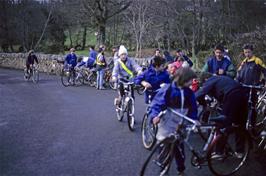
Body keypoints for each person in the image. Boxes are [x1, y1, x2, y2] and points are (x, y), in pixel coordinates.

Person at [149, 67, 199, 176]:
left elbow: (193, 108)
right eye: (190, 80)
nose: (192, 82)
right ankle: (162, 166)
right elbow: (156, 104)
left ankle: (181, 169)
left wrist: (194, 120)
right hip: (167, 122)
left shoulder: (189, 93)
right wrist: (154, 116)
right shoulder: (168, 89)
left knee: (179, 147)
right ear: (184, 79)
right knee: (163, 144)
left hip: (181, 124)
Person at [195, 72, 248, 158]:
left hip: (232, 96)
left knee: (222, 124)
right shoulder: (221, 78)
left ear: (205, 79)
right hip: (243, 94)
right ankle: (240, 151)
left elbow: (200, 94)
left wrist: (204, 105)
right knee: (240, 124)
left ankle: (219, 152)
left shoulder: (211, 80)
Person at [237, 44, 266, 129]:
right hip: (244, 87)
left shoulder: (257, 61)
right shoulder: (244, 62)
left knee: (253, 106)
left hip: (254, 88)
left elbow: (265, 71)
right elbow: (239, 73)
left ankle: (253, 125)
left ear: (252, 51)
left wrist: (264, 82)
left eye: (248, 52)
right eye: (245, 52)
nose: (247, 54)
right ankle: (243, 122)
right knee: (243, 105)